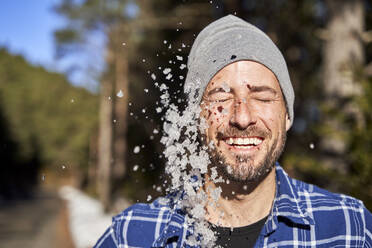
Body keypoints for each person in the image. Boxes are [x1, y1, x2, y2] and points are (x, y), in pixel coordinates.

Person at [94, 15, 372, 248]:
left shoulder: (349, 229)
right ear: (196, 117)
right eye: (221, 98)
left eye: (262, 97)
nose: (242, 117)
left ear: (287, 115)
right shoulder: (132, 236)